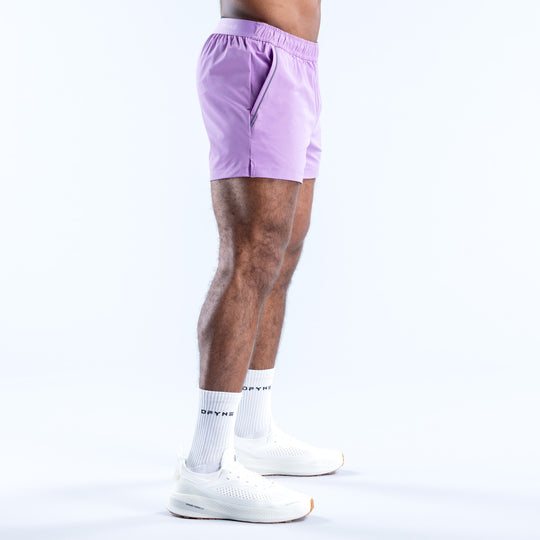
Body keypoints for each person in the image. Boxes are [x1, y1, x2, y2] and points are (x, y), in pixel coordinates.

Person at [167, 0, 343, 523]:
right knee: (250, 255)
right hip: (257, 56)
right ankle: (204, 468)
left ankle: (253, 431)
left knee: (284, 250)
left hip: (300, 62)